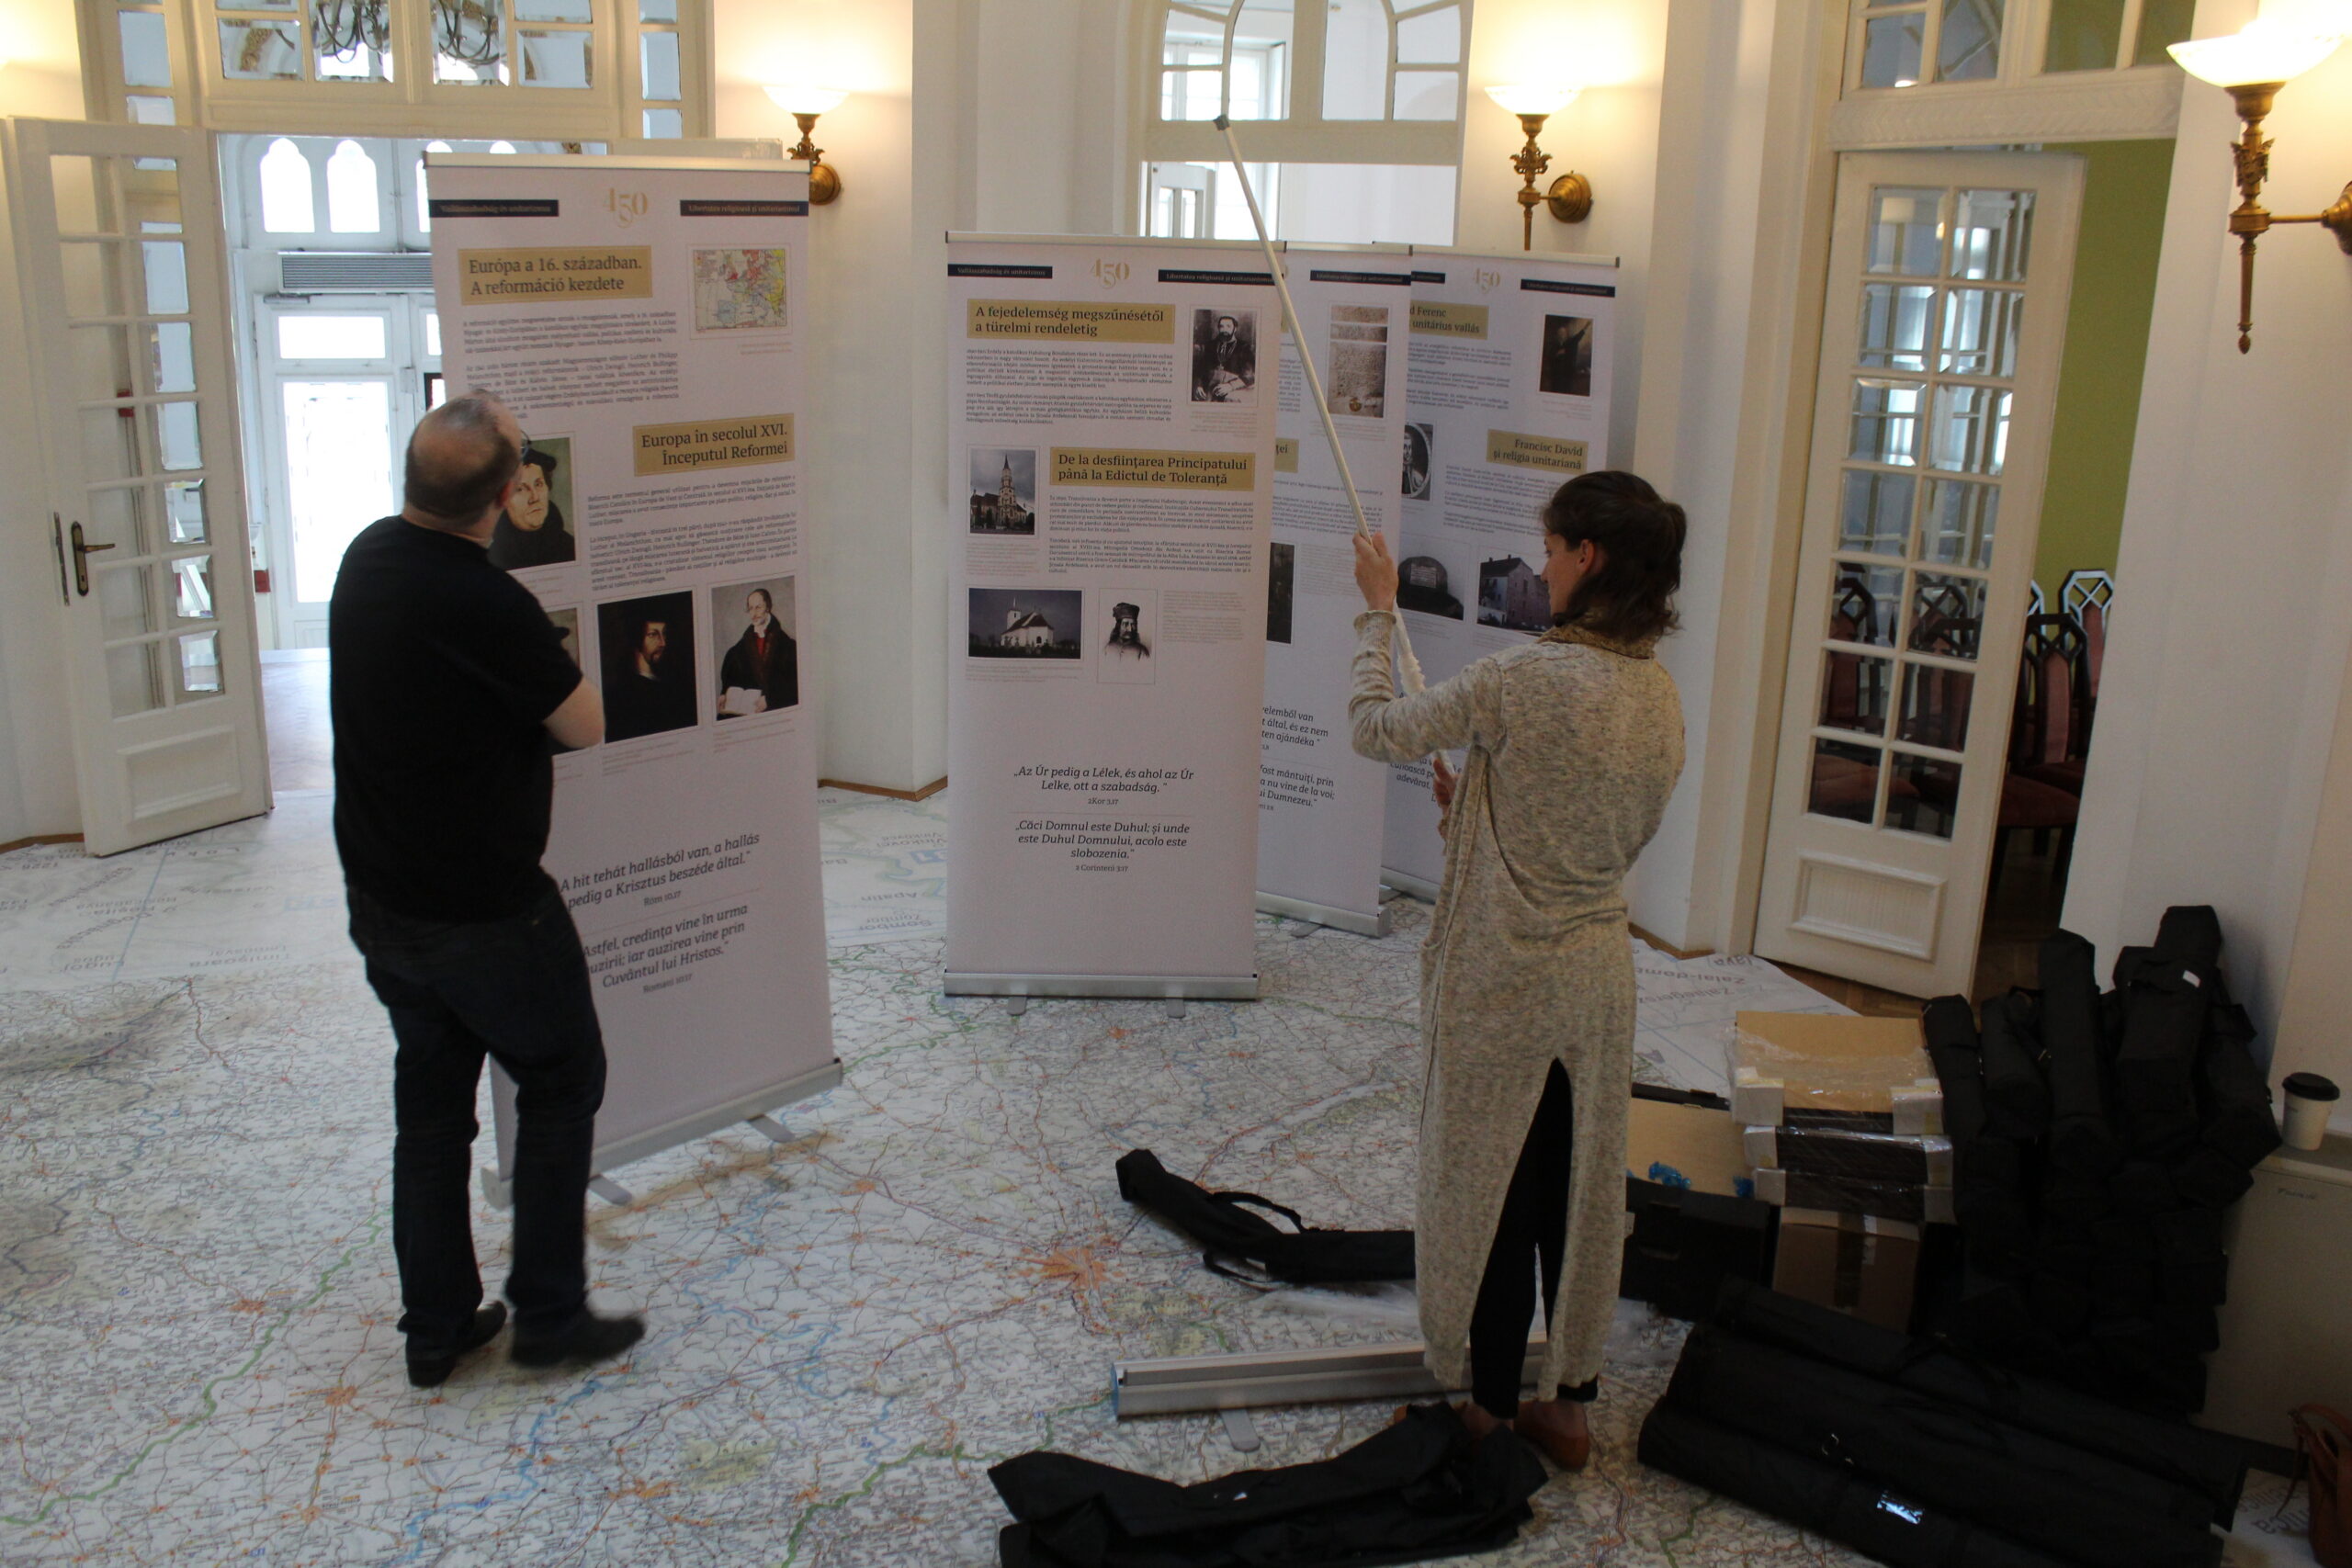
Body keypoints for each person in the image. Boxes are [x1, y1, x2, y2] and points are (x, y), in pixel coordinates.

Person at [1346, 470, 1687, 1469]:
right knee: (1575, 1190)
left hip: (1505, 981)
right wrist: (1478, 809)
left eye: (1549, 551)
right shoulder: (1661, 698)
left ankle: (1489, 1413)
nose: (1541, 569)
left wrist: (1377, 612)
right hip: (1596, 981)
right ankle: (1569, 1409)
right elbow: (1589, 835)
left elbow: (1373, 727)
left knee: (1492, 1184)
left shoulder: (1523, 680)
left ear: (1587, 556)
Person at [331, 392, 644, 1389]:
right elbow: (586, 723)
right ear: (507, 496)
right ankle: (548, 1315)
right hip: (487, 911)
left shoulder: (364, 559)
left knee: (430, 1108)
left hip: (383, 899)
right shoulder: (488, 602)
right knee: (562, 1081)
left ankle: (435, 1328)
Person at [604, 602, 698, 739]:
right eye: (653, 635)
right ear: (637, 639)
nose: (663, 643)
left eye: (664, 634)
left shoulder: (673, 684)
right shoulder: (621, 694)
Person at [486, 441, 575, 571]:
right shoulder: (492, 560)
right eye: (520, 489)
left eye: (538, 484)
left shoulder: (570, 547)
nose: (535, 497)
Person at [718, 587, 798, 716]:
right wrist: (724, 693)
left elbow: (795, 683)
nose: (754, 614)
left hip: (776, 709)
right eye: (750, 608)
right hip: (748, 710)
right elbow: (732, 674)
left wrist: (770, 699)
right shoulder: (741, 646)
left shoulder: (787, 645)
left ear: (768, 607)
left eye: (758, 607)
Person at [1194, 313, 1254, 402]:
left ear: (1235, 329)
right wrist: (1199, 385)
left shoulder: (1244, 347)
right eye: (1221, 326)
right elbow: (1200, 369)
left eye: (1228, 326)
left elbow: (1249, 375)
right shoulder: (1210, 345)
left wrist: (1231, 386)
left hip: (1233, 389)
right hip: (1210, 388)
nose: (1224, 329)